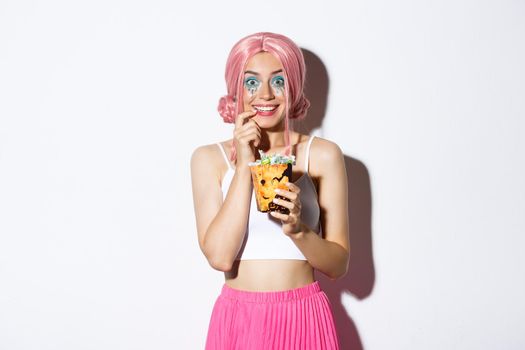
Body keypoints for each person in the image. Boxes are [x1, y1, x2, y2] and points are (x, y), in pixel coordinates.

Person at [190, 32, 350, 350]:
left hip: (304, 317)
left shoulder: (322, 155)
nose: (265, 94)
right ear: (237, 89)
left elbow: (338, 264)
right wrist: (245, 163)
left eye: (278, 81)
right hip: (238, 320)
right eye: (251, 82)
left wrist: (297, 230)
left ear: (294, 86)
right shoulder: (209, 159)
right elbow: (220, 257)